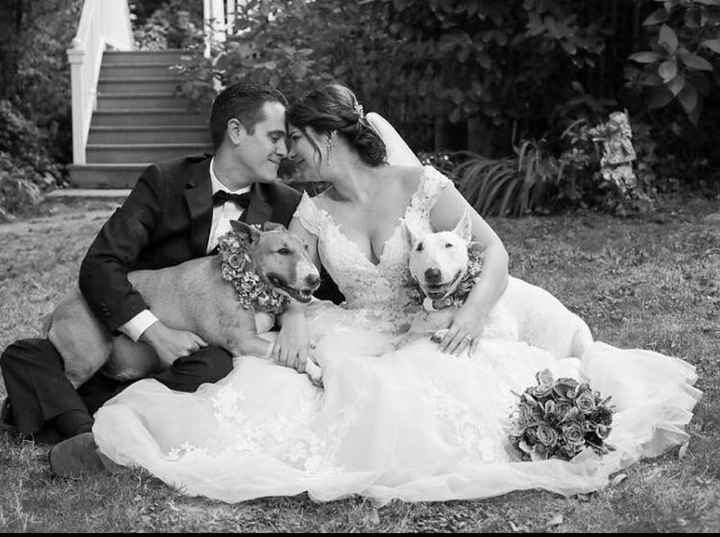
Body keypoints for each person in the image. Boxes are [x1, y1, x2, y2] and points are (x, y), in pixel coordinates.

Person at [84, 84, 700, 504]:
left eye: (293, 139)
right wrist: (297, 316)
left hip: (437, 323)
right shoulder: (314, 210)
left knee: (442, 392)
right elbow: (293, 271)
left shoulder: (421, 183)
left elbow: (496, 254)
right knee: (304, 386)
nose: (286, 152)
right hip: (360, 328)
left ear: (323, 137)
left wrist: (472, 312)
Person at [0, 81, 335, 475]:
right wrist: (153, 330)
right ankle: (88, 432)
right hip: (126, 332)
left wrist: (294, 313)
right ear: (236, 132)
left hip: (197, 356)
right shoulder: (164, 182)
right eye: (275, 137)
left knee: (214, 365)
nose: (284, 150)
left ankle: (65, 414)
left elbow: (314, 281)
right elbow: (101, 265)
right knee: (24, 353)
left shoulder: (285, 203)